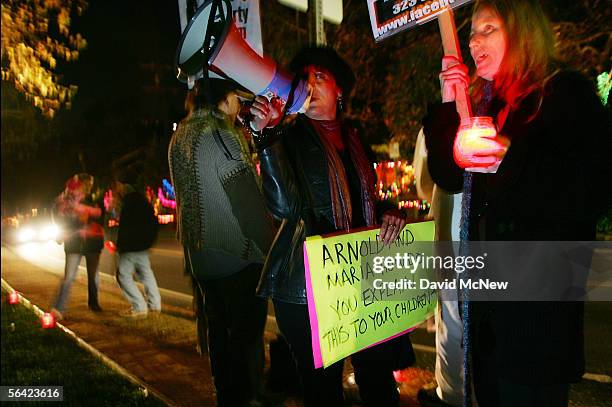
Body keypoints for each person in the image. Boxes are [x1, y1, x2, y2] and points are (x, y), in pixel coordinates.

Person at [423, 1, 611, 406]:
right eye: (472, 30)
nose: (473, 40)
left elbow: (592, 189)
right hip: (489, 318)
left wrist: (511, 160)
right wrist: (448, 100)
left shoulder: (564, 93)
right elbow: (450, 176)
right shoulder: (485, 106)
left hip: (538, 319)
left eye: (488, 27)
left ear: (523, 32)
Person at [249, 46, 415, 407]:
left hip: (364, 278)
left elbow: (363, 198)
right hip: (310, 287)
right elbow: (284, 207)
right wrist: (266, 139)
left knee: (379, 382)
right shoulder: (288, 138)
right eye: (304, 78)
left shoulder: (356, 138)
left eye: (319, 76)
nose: (310, 83)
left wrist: (390, 211)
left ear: (340, 90)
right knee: (323, 391)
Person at [168, 78, 276, 407]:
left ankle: (226, 396)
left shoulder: (180, 135)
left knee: (219, 335)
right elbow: (245, 201)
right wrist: (271, 248)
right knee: (245, 339)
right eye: (237, 99)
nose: (240, 107)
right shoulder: (220, 134)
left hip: (200, 256)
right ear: (224, 100)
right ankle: (247, 398)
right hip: (235, 255)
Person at [413, 129, 463, 407]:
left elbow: (424, 180)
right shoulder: (507, 111)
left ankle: (451, 394)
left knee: (451, 321)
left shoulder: (437, 125)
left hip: (450, 232)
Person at [51, 173, 104, 320]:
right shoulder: (64, 202)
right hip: (74, 243)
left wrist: (90, 217)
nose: (81, 189)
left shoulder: (93, 200)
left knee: (93, 276)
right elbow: (58, 216)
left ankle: (94, 303)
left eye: (84, 186)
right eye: (79, 186)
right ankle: (59, 308)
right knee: (69, 277)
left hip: (92, 242)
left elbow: (100, 216)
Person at [113, 175, 161, 318]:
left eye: (117, 186)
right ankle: (155, 305)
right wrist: (150, 241)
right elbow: (153, 222)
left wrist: (120, 245)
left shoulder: (128, 202)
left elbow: (125, 227)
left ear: (123, 186)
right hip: (143, 245)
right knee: (146, 274)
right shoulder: (142, 200)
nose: (116, 190)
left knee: (123, 275)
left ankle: (139, 306)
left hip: (131, 246)